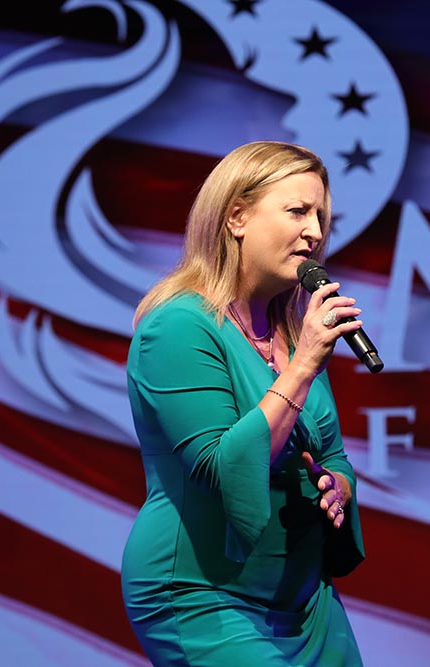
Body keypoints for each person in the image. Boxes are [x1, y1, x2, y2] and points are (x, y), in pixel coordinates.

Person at [121, 141, 365, 666]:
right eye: (297, 211)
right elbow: (219, 467)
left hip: (306, 603)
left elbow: (334, 455)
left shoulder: (290, 333)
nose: (315, 232)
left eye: (321, 217)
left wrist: (337, 487)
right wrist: (303, 366)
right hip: (205, 592)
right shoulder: (178, 325)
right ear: (236, 217)